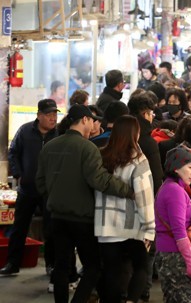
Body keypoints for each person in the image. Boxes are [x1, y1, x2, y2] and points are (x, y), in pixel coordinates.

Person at [36, 104, 134, 303]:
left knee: (61, 267)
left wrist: (55, 196)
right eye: (92, 120)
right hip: (82, 218)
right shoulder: (87, 147)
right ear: (84, 120)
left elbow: (39, 182)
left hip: (57, 216)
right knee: (93, 267)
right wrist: (128, 190)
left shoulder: (50, 146)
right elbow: (98, 179)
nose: (94, 123)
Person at [95, 115, 155, 303]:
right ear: (134, 134)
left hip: (105, 225)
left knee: (111, 271)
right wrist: (150, 227)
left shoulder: (100, 156)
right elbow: (144, 197)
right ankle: (131, 300)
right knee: (141, 267)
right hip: (132, 225)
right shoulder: (138, 161)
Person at [0, 99, 59, 276]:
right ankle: (12, 263)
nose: (53, 118)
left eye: (55, 114)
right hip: (27, 188)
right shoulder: (25, 131)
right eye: (49, 114)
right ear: (39, 115)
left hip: (50, 190)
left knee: (51, 229)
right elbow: (13, 152)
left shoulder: (59, 134)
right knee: (19, 228)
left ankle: (51, 265)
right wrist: (19, 174)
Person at [155, 146, 191, 303]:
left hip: (171, 254)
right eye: (190, 167)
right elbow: (179, 231)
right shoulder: (174, 191)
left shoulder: (172, 187)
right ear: (176, 167)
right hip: (175, 258)